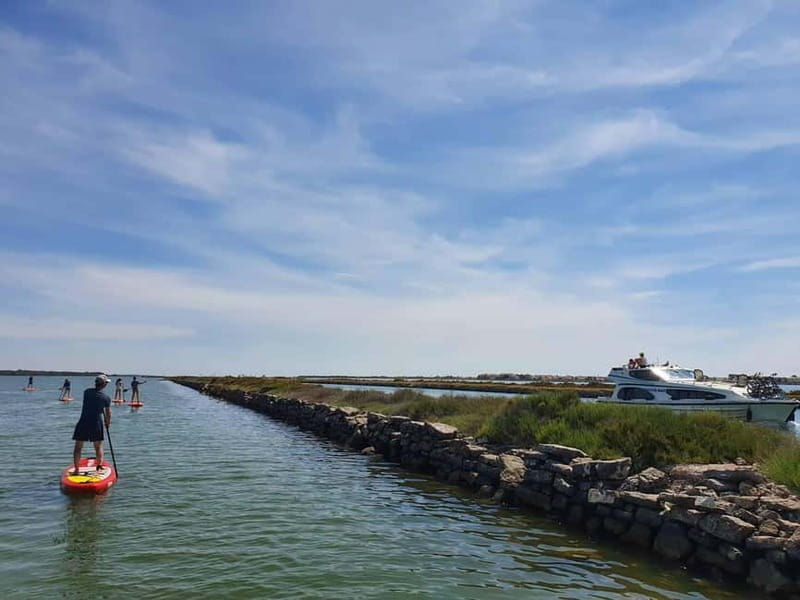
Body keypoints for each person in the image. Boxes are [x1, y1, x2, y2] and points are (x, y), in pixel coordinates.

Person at [71, 374, 112, 475]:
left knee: (78, 447)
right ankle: (98, 469)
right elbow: (108, 413)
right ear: (104, 385)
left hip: (83, 421)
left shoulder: (87, 392)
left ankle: (76, 470)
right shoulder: (106, 398)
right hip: (96, 423)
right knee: (98, 447)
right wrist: (107, 423)